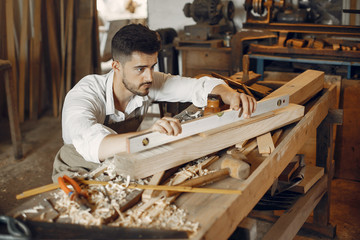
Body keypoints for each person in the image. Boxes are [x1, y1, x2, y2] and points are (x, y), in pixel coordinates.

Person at [52, 24, 256, 182]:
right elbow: (94, 144)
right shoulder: (84, 95)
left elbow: (196, 87)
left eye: (152, 66)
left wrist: (228, 93)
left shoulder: (144, 82)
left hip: (121, 164)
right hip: (79, 170)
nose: (149, 77)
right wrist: (150, 135)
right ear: (116, 66)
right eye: (140, 68)